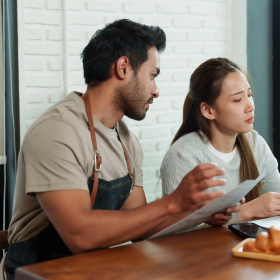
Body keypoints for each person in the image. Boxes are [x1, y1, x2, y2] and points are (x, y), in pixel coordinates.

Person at [1, 20, 241, 279]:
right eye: (152, 75)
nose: (156, 90)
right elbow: (79, 235)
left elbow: (141, 226)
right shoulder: (57, 131)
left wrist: (200, 213)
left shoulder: (125, 140)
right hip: (35, 273)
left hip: (92, 270)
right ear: (123, 67)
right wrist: (174, 202)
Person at [161, 58, 280, 223]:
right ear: (208, 110)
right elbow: (178, 234)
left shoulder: (254, 144)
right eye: (237, 100)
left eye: (249, 95)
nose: (250, 106)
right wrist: (246, 213)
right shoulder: (183, 155)